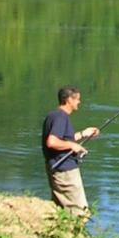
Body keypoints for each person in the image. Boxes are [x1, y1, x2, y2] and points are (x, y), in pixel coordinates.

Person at [41, 86, 99, 219]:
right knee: (81, 213)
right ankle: (76, 237)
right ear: (68, 100)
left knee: (60, 210)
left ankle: (62, 237)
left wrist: (84, 133)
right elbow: (52, 142)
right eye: (77, 99)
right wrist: (73, 146)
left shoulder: (54, 115)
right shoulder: (61, 117)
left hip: (58, 168)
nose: (79, 102)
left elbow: (64, 138)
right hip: (65, 171)